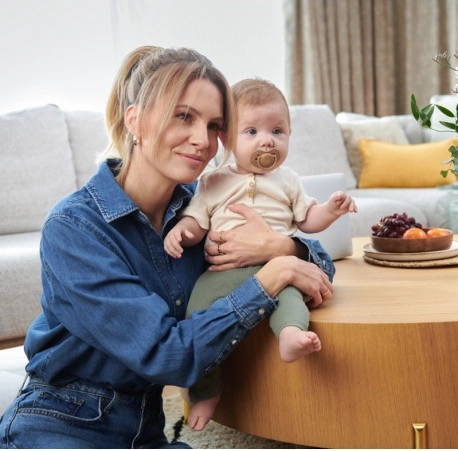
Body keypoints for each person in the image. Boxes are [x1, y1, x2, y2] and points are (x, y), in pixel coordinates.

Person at [0, 47, 336, 449]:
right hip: (61, 422)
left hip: (146, 427)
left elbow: (323, 268)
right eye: (184, 116)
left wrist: (282, 247)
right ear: (135, 120)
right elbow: (165, 354)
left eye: (214, 125)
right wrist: (272, 276)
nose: (203, 141)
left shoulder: (203, 208)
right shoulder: (75, 228)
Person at [164, 78, 357, 431]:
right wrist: (182, 231)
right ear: (227, 139)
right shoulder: (213, 182)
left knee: (290, 298)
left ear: (289, 135)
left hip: (278, 267)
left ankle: (290, 336)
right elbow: (197, 220)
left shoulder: (289, 180)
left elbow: (307, 220)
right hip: (222, 273)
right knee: (195, 317)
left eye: (277, 131)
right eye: (251, 131)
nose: (267, 140)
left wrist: (331, 210)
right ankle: (205, 391)